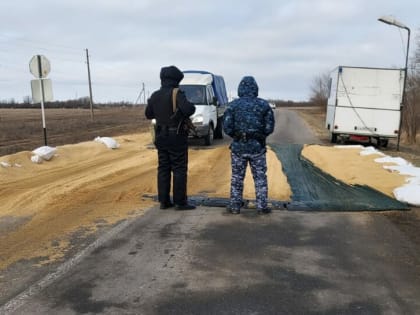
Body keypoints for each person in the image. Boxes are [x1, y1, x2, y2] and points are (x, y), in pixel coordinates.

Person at [145, 65, 196, 210]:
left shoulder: (155, 95)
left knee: (163, 168)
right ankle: (180, 202)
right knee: (179, 168)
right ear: (176, 80)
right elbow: (189, 109)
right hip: (176, 136)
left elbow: (148, 114)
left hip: (160, 136)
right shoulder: (177, 93)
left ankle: (164, 201)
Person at [223, 76, 275, 214]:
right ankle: (262, 207)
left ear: (240, 89)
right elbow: (270, 127)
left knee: (237, 178)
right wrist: (260, 135)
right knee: (260, 178)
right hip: (257, 148)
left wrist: (237, 136)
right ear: (255, 89)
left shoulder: (233, 106)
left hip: (238, 148)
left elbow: (227, 127)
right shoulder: (264, 105)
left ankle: (234, 207)